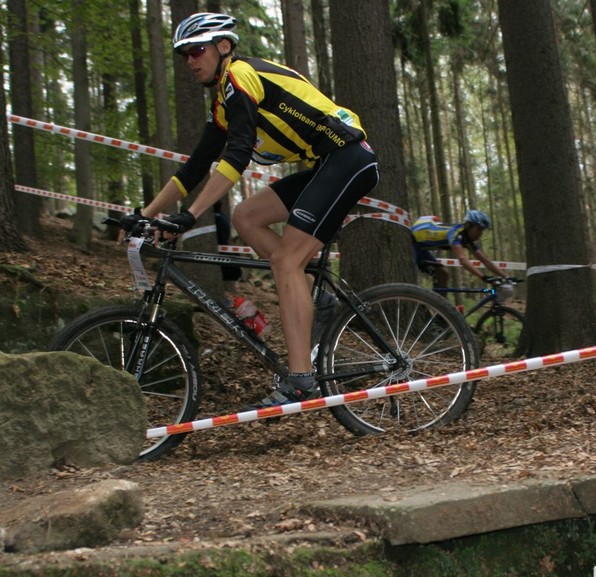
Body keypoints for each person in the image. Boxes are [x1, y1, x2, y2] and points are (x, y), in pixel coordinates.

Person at [123, 12, 378, 407]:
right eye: (184, 55)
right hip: (326, 164)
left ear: (223, 46)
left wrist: (190, 215)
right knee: (246, 216)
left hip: (348, 159)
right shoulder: (224, 103)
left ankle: (300, 380)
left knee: (286, 262)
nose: (190, 61)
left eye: (197, 50)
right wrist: (146, 213)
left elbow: (238, 155)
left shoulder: (240, 76)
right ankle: (315, 298)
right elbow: (195, 167)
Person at [411, 209, 508, 290]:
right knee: (412, 273)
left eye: (482, 230)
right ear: (469, 225)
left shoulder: (467, 239)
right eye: (479, 229)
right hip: (412, 243)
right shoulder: (455, 233)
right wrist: (483, 277)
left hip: (420, 248)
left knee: (442, 276)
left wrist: (507, 277)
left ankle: (435, 306)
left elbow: (485, 261)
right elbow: (463, 260)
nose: (480, 234)